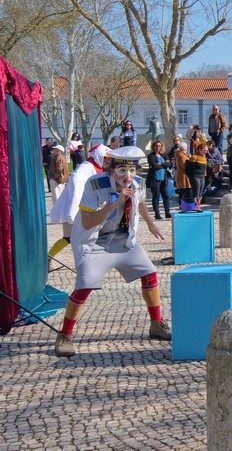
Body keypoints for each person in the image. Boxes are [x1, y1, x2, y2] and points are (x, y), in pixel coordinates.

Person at [54, 146, 171, 357]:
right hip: (95, 243)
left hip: (123, 240)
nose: (128, 176)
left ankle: (156, 323)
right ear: (111, 170)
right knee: (85, 284)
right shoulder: (95, 184)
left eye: (131, 171)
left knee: (149, 272)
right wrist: (116, 203)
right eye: (122, 171)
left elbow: (141, 200)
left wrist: (150, 223)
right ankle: (65, 334)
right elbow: (88, 222)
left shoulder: (138, 183)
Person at [145, 140, 171, 220]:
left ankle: (167, 212)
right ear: (153, 147)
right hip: (155, 179)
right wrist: (163, 165)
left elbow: (169, 164)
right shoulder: (151, 156)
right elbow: (153, 165)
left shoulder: (163, 155)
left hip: (163, 179)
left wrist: (161, 164)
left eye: (159, 146)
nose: (158, 147)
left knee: (166, 196)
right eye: (156, 146)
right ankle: (157, 213)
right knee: (156, 196)